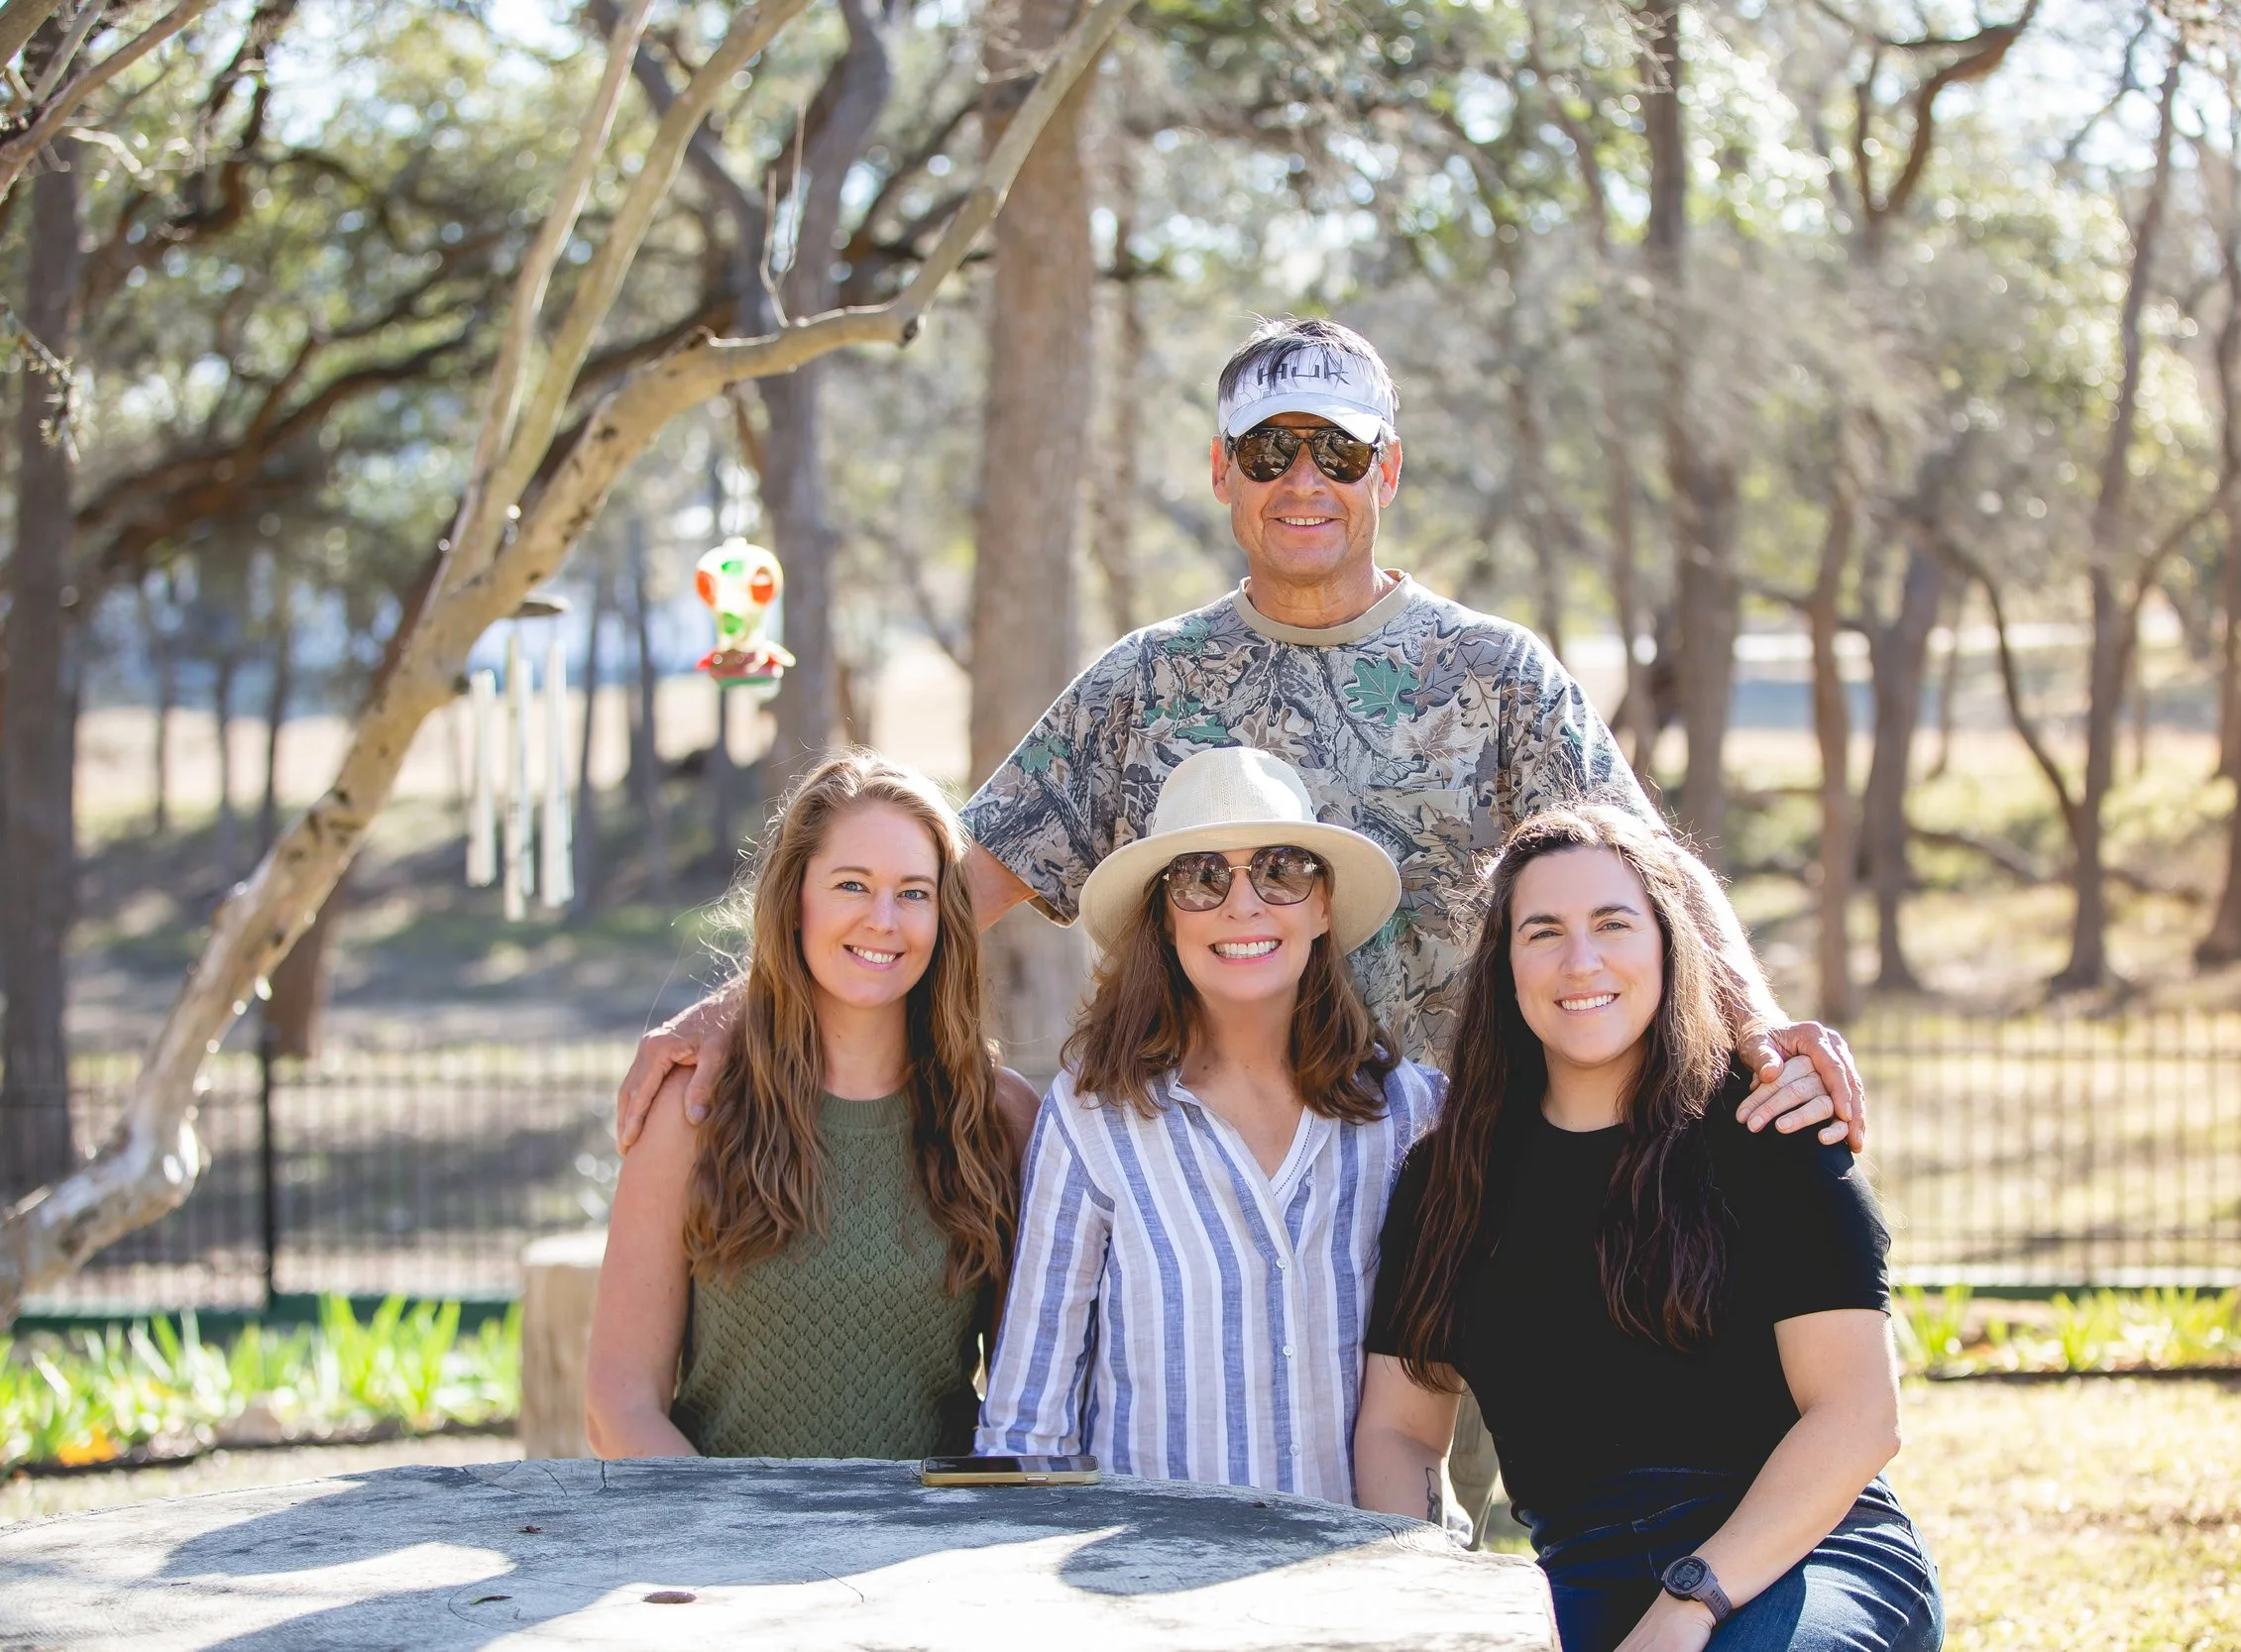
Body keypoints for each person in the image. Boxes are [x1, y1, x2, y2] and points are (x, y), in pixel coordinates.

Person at [615, 315, 1867, 1515]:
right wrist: (740, 1005)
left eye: (1338, 448)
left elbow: (1639, 873)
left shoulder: (1494, 674)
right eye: (1270, 451)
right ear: (1223, 471)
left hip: (1452, 1185)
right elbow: (946, 884)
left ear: (1389, 467)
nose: (1303, 478)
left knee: (1459, 1534)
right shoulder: (1148, 683)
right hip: (1197, 1183)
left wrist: (1762, 1033)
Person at [1354, 806, 1940, 1652]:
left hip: (1802, 1551)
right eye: (1543, 931)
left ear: (1668, 945)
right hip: (1579, 1572)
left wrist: (1690, 1601)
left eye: (1613, 923)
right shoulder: (1448, 1180)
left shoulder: (1771, 1132)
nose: (1580, 959)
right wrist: (1422, 1599)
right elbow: (1399, 1428)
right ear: (1505, 967)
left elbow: (1857, 1414)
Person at [976, 747, 1441, 1504]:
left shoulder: (1411, 1115)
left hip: (1356, 1592)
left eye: (1282, 869)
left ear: (1322, 905)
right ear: (1163, 917)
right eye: (1202, 876)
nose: (1244, 904)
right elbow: (1029, 1426)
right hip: (1149, 1587)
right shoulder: (1093, 1117)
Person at [584, 752, 1039, 1460]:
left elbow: (1026, 1410)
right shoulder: (693, 1108)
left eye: (913, 892)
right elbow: (618, 1406)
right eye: (851, 884)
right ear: (796, 899)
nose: (882, 919)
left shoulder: (1001, 1120)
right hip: (717, 1551)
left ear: (945, 916)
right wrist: (731, 1547)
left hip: (925, 1554)